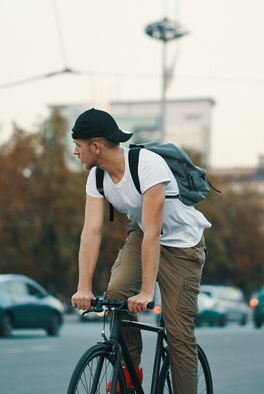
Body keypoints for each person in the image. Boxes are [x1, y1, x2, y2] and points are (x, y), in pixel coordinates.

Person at [70, 108, 211, 394]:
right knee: (117, 293)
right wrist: (83, 287)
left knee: (179, 335)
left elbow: (154, 233)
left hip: (183, 245)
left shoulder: (149, 166)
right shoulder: (97, 178)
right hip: (143, 234)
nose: (75, 152)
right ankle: (129, 370)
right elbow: (91, 232)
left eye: (78, 145)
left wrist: (147, 292)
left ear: (95, 146)